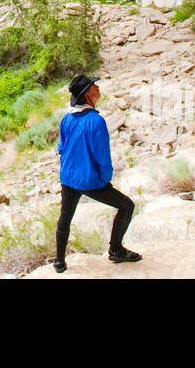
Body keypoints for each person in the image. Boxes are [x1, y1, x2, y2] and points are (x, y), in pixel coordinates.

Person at [53, 74, 140, 272]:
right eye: (93, 86)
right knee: (126, 206)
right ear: (87, 95)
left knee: (65, 216)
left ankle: (59, 261)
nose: (97, 87)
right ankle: (115, 250)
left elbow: (61, 148)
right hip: (90, 180)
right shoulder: (96, 121)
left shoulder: (67, 118)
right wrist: (104, 180)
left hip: (68, 177)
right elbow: (102, 156)